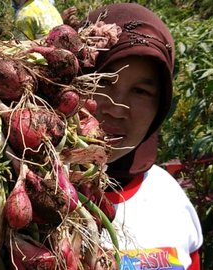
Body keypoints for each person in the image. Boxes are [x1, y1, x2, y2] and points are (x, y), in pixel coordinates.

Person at [84, 3, 204, 269]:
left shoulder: (171, 202)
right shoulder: (19, 198)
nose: (116, 108)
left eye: (141, 91)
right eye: (102, 81)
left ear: (160, 106)